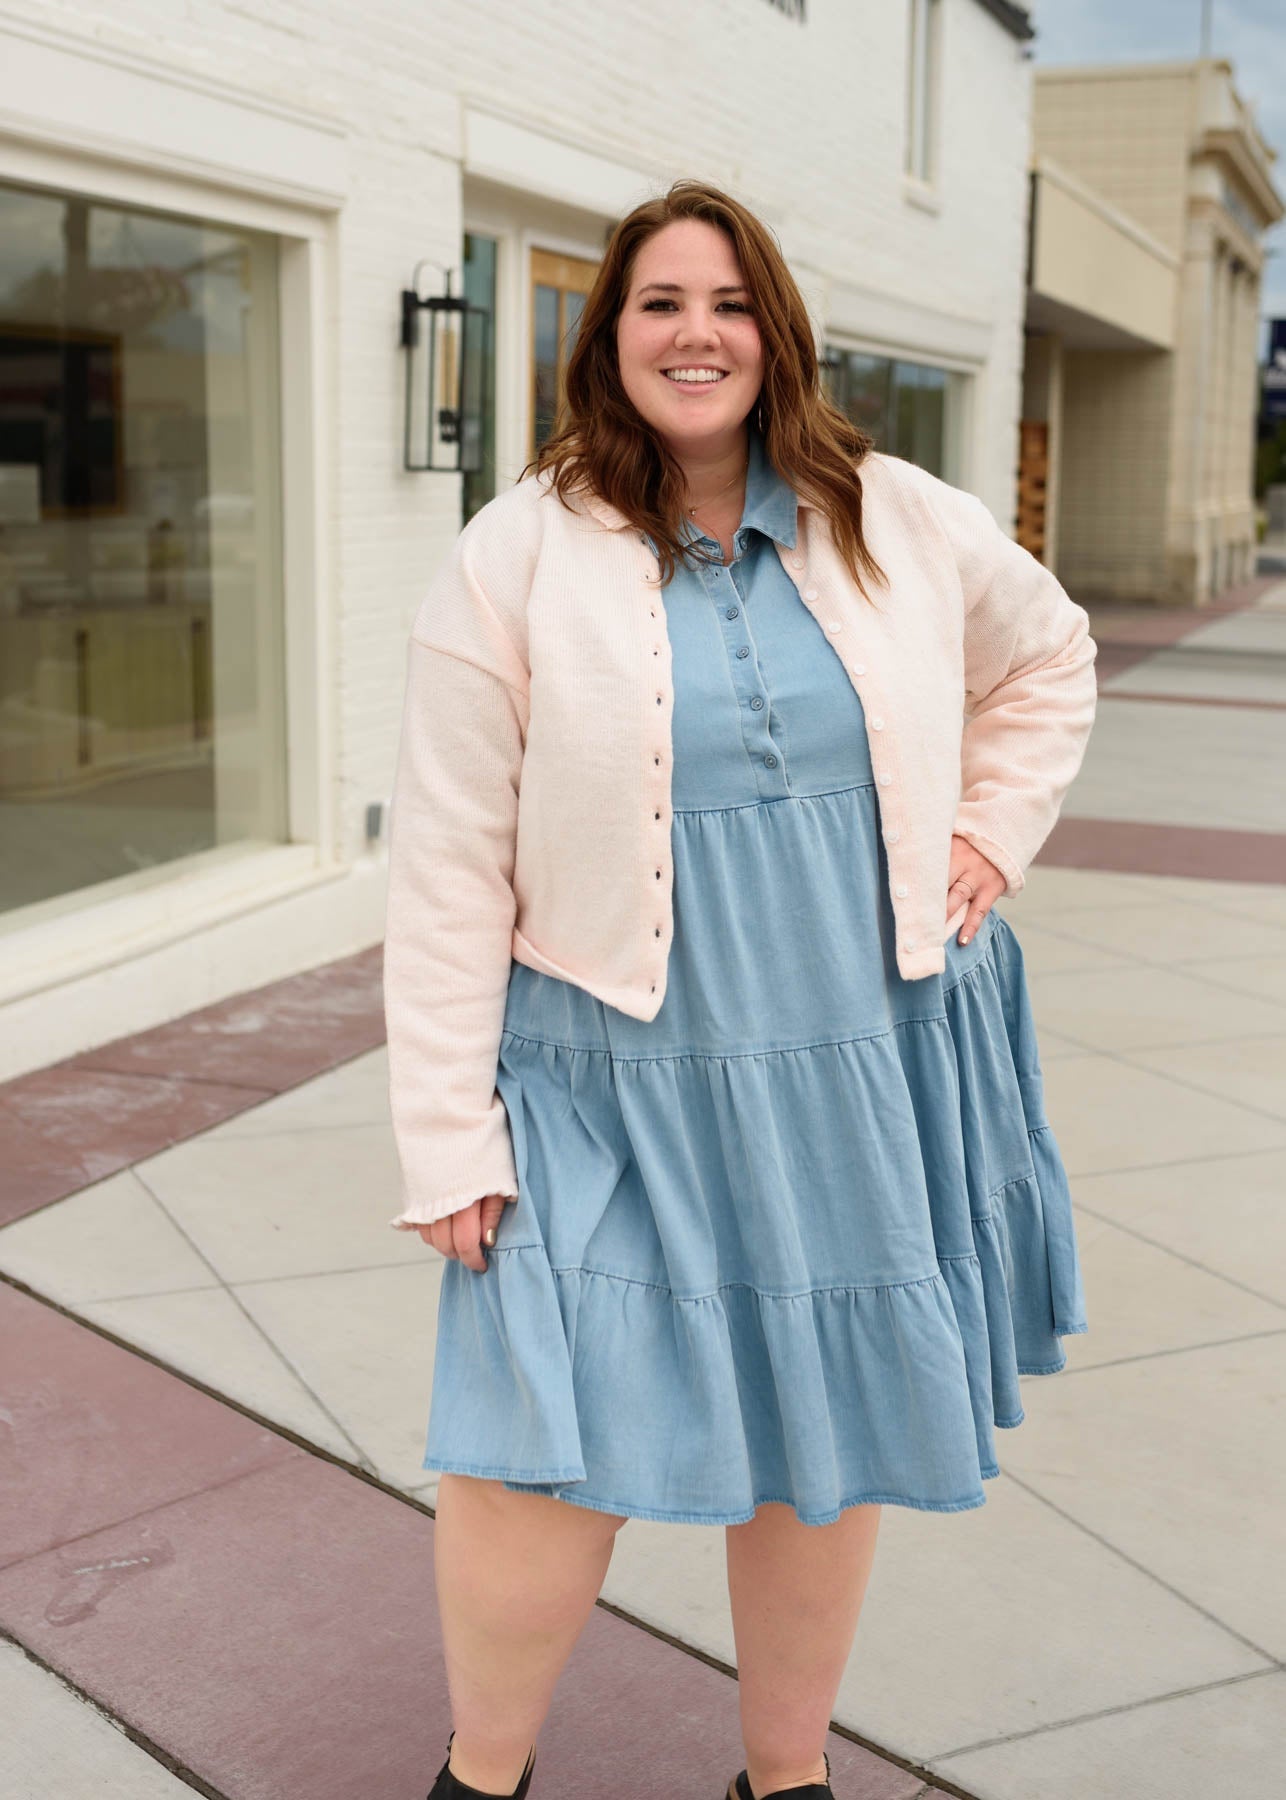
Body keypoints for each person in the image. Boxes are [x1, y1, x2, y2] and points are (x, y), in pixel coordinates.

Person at [382, 178, 1097, 1800]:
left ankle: (786, 1780)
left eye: (726, 303)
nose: (694, 333)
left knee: (819, 1436)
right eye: (658, 303)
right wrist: (445, 1133)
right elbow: (441, 865)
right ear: (609, 336)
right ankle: (476, 1782)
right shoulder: (512, 559)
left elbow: (1048, 654)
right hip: (603, 1072)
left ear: (775, 334)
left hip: (860, 1050)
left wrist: (989, 830)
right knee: (529, 1449)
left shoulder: (897, 514)